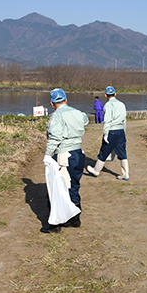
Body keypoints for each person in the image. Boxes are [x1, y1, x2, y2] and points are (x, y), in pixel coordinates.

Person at [42, 88, 89, 233]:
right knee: (74, 184)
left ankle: (55, 224)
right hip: (78, 152)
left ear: (51, 103)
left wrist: (48, 154)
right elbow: (85, 120)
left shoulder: (56, 116)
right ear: (66, 99)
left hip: (64, 154)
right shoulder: (77, 112)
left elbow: (55, 137)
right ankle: (75, 219)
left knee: (58, 188)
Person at [87, 86, 130, 180]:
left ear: (105, 95)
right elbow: (124, 120)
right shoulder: (122, 104)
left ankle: (96, 170)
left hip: (112, 131)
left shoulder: (108, 105)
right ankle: (126, 174)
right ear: (115, 94)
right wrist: (124, 131)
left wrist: (105, 134)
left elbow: (107, 121)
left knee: (104, 151)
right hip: (121, 130)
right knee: (122, 152)